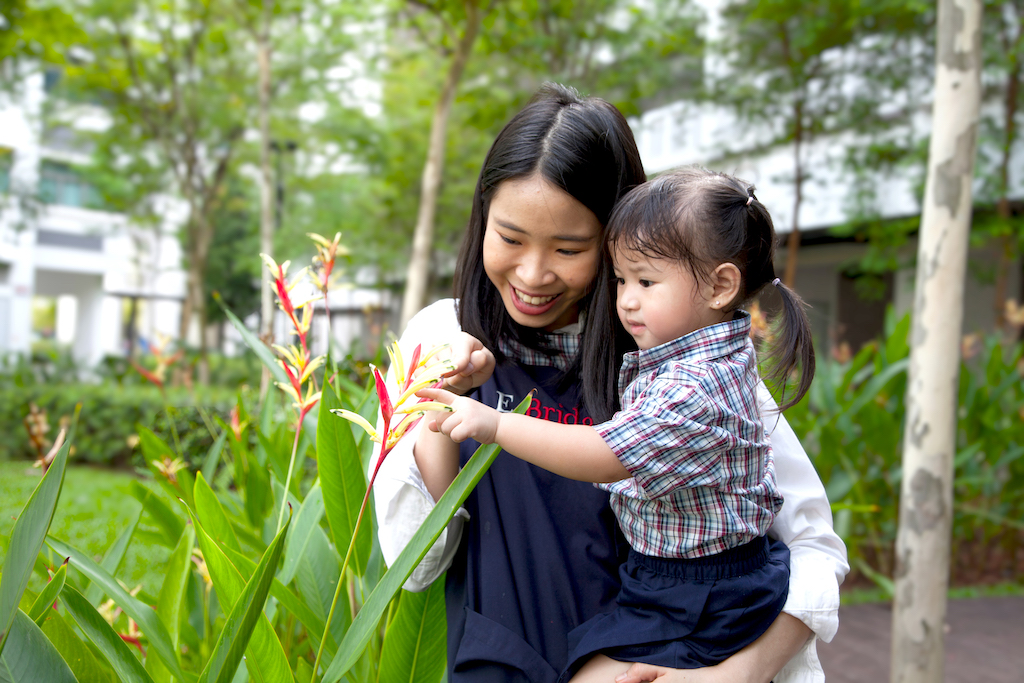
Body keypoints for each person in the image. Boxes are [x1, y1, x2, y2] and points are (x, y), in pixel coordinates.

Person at [372, 83, 848, 683]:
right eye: (510, 238)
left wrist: (738, 675)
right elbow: (415, 563)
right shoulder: (443, 333)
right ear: (481, 219)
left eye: (569, 248)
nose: (533, 274)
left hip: (669, 659)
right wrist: (443, 398)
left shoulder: (680, 358)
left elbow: (812, 546)